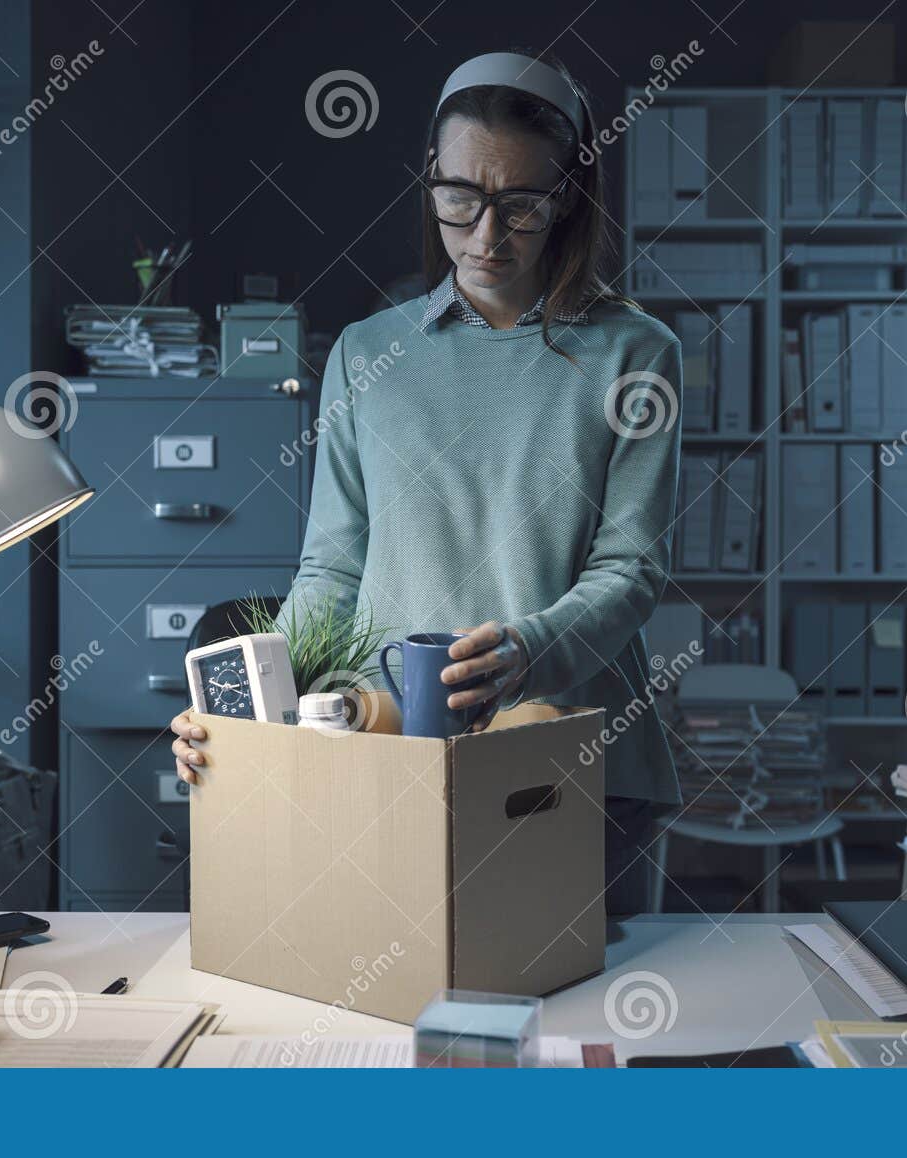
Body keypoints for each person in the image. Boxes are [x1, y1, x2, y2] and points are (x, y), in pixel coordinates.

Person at [173, 49, 682, 915]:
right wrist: (257, 716)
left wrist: (529, 654)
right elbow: (332, 566)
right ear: (431, 185)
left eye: (522, 204)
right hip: (386, 749)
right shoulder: (368, 353)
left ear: (569, 199)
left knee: (575, 1019)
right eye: (461, 199)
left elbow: (630, 571)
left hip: (570, 760)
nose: (487, 236)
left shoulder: (637, 354)